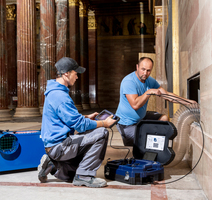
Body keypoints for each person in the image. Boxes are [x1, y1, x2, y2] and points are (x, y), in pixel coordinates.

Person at [38, 57, 117, 188]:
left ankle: (54, 165)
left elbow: (64, 117)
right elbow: (80, 125)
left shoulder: (55, 92)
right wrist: (104, 123)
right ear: (66, 73)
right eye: (76, 73)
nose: (77, 77)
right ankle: (84, 177)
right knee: (101, 133)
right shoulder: (60, 96)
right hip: (59, 147)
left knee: (70, 174)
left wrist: (86, 117)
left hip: (56, 146)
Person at [115, 57, 196, 146]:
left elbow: (167, 96)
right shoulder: (129, 81)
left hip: (141, 118)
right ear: (137, 67)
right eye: (143, 69)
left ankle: (158, 149)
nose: (145, 73)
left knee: (163, 119)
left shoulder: (149, 81)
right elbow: (135, 105)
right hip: (126, 123)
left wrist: (189, 102)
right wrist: (149, 92)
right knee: (142, 141)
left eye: (148, 70)